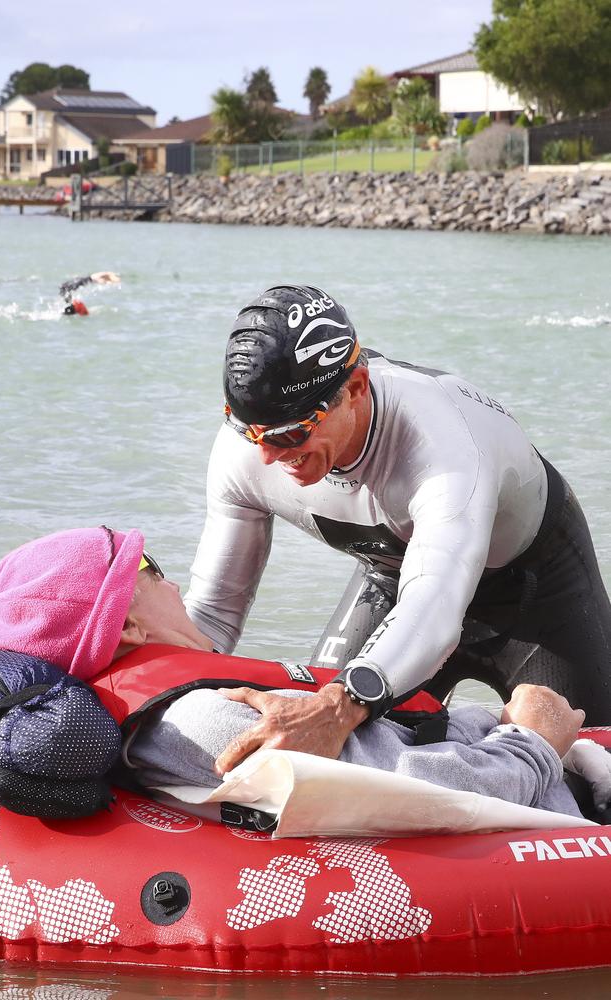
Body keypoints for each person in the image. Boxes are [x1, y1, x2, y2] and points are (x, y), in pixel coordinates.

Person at [184, 284, 611, 775]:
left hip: (538, 591)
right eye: (248, 430)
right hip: (395, 579)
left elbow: (435, 604)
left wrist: (339, 708)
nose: (268, 455)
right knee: (327, 752)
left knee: (593, 776)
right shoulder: (247, 451)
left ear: (357, 387)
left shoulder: (443, 439)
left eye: (291, 433)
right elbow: (214, 614)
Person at [0, 526, 611, 820]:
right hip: (547, 796)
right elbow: (420, 797)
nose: (171, 580)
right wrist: (533, 741)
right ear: (128, 628)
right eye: (150, 570)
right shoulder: (202, 721)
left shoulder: (168, 704)